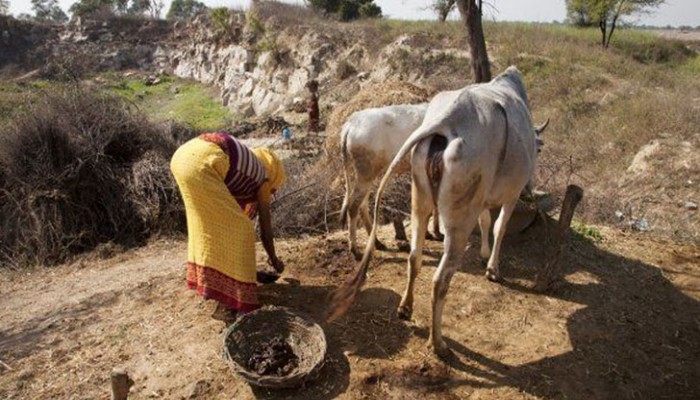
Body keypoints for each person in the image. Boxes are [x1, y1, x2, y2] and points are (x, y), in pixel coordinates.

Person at [170, 132, 287, 322]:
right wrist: (274, 259)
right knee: (242, 229)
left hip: (181, 157)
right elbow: (266, 229)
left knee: (209, 228)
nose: (271, 192)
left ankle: (216, 285)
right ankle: (235, 302)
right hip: (201, 163)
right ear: (274, 174)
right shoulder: (263, 179)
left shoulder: (246, 167)